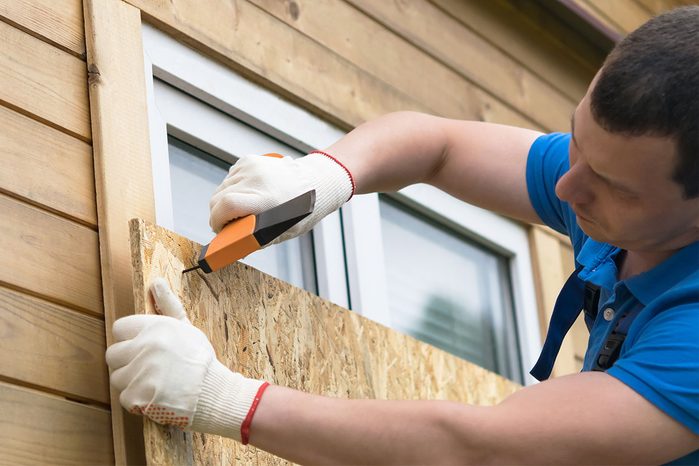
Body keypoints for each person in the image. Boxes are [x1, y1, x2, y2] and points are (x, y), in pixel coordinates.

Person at [105, 7, 699, 464]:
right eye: (575, 139)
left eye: (615, 188)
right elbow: (437, 147)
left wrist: (224, 400)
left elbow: (481, 451)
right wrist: (326, 175)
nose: (567, 188)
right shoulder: (603, 176)